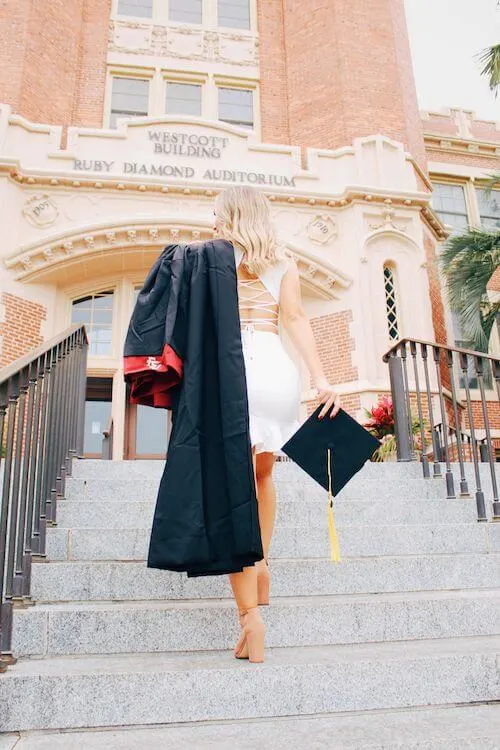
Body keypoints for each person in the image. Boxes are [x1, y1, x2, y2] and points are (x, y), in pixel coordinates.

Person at [212, 186, 341, 663]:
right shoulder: (283, 262)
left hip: (231, 373)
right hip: (274, 368)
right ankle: (262, 561)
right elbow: (296, 317)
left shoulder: (213, 260)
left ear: (228, 217)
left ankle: (250, 619)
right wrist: (322, 378)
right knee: (263, 473)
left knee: (232, 490)